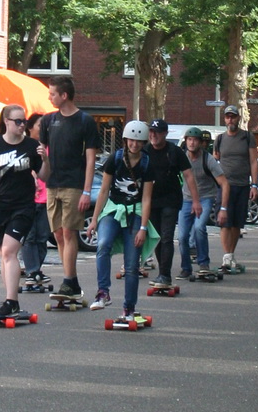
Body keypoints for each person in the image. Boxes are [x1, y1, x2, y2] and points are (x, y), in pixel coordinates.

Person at [0, 105, 42, 320]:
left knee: (9, 251)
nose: (22, 125)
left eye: (24, 122)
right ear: (6, 121)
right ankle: (10, 302)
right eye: (18, 121)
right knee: (4, 253)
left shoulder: (32, 146)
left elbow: (45, 176)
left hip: (23, 207)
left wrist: (46, 160)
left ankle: (11, 302)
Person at [38, 75, 100, 302]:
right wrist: (39, 175)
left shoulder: (85, 121)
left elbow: (91, 160)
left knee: (68, 231)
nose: (49, 97)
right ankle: (71, 282)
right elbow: (43, 155)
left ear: (64, 95)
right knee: (57, 234)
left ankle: (68, 280)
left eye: (52, 94)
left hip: (74, 185)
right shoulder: (47, 121)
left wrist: (86, 191)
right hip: (52, 184)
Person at [91, 120, 156, 317]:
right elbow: (103, 190)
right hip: (113, 208)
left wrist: (143, 228)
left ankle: (129, 307)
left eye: (138, 141)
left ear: (143, 143)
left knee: (131, 264)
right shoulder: (115, 159)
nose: (134, 144)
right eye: (131, 140)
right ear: (125, 140)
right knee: (103, 244)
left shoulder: (147, 164)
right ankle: (103, 292)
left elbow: (146, 198)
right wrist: (94, 219)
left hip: (135, 212)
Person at [144, 119, 199, 292]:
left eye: (157, 132)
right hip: (151, 201)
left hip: (170, 200)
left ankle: (165, 275)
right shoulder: (145, 151)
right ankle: (162, 273)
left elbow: (189, 175)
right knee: (157, 238)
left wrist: (196, 201)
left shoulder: (175, 151)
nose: (153, 135)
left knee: (167, 236)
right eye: (151, 131)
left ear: (165, 134)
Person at [178, 128, 228, 277]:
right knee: (182, 236)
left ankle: (203, 263)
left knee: (199, 227)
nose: (192, 143)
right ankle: (186, 268)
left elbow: (224, 183)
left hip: (205, 197)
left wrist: (223, 208)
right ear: (186, 141)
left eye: (195, 140)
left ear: (200, 142)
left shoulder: (208, 159)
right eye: (189, 140)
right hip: (187, 199)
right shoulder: (182, 158)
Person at [214, 107, 254, 268]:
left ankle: (231, 254)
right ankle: (226, 256)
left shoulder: (247, 137)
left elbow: (253, 162)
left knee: (237, 223)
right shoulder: (220, 139)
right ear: (224, 119)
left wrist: (254, 185)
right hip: (225, 186)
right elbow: (215, 160)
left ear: (238, 118)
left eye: (233, 117)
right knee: (224, 222)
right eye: (228, 117)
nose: (230, 119)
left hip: (243, 185)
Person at [19, 111, 52, 286]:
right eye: (40, 125)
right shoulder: (25, 146)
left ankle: (36, 270)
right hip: (29, 199)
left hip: (47, 198)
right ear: (30, 127)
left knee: (42, 237)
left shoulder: (49, 148)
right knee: (30, 237)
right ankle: (32, 271)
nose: (43, 129)